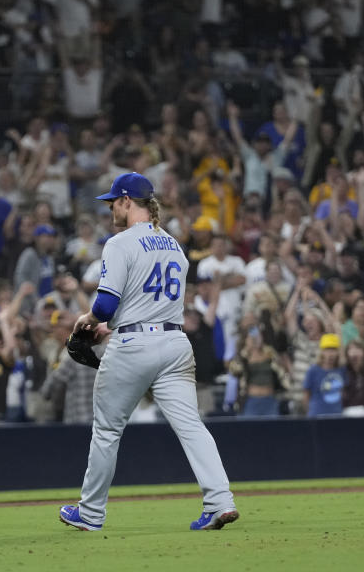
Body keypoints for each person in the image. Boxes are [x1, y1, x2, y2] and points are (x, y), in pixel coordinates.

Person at [60, 172, 237, 532]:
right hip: (174, 343)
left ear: (128, 201)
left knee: (108, 429)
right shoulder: (175, 245)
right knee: (191, 426)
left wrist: (89, 319)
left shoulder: (119, 243)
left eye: (114, 201)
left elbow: (107, 303)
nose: (110, 208)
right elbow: (150, 305)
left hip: (134, 347)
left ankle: (91, 513)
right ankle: (220, 501)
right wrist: (110, 327)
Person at [303, 333, 347, 417]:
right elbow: (306, 395)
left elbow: (343, 392)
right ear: (321, 351)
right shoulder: (313, 370)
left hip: (337, 415)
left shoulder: (342, 370)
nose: (330, 354)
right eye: (327, 349)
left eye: (333, 350)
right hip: (317, 416)